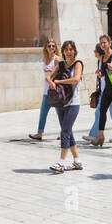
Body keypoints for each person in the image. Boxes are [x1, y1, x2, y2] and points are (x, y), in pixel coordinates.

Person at [47, 40, 84, 173]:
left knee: (65, 131)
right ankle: (77, 161)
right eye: (66, 49)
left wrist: (59, 81)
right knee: (68, 131)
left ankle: (61, 162)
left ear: (74, 51)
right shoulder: (60, 64)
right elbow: (49, 77)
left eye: (71, 49)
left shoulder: (78, 64)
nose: (69, 52)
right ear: (62, 51)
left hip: (73, 103)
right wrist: (51, 82)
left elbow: (76, 79)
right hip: (61, 101)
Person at [87, 35, 112, 147]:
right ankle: (100, 136)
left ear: (110, 43)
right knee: (101, 111)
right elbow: (106, 72)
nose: (103, 45)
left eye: (104, 42)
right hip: (107, 89)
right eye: (101, 43)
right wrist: (101, 73)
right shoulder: (103, 56)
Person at [28, 39, 61, 141]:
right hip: (46, 91)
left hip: (55, 90)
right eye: (49, 46)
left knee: (60, 113)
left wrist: (50, 70)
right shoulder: (45, 59)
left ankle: (64, 132)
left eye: (53, 46)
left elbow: (60, 73)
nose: (51, 48)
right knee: (43, 113)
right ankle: (39, 133)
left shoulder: (57, 59)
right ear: (46, 48)